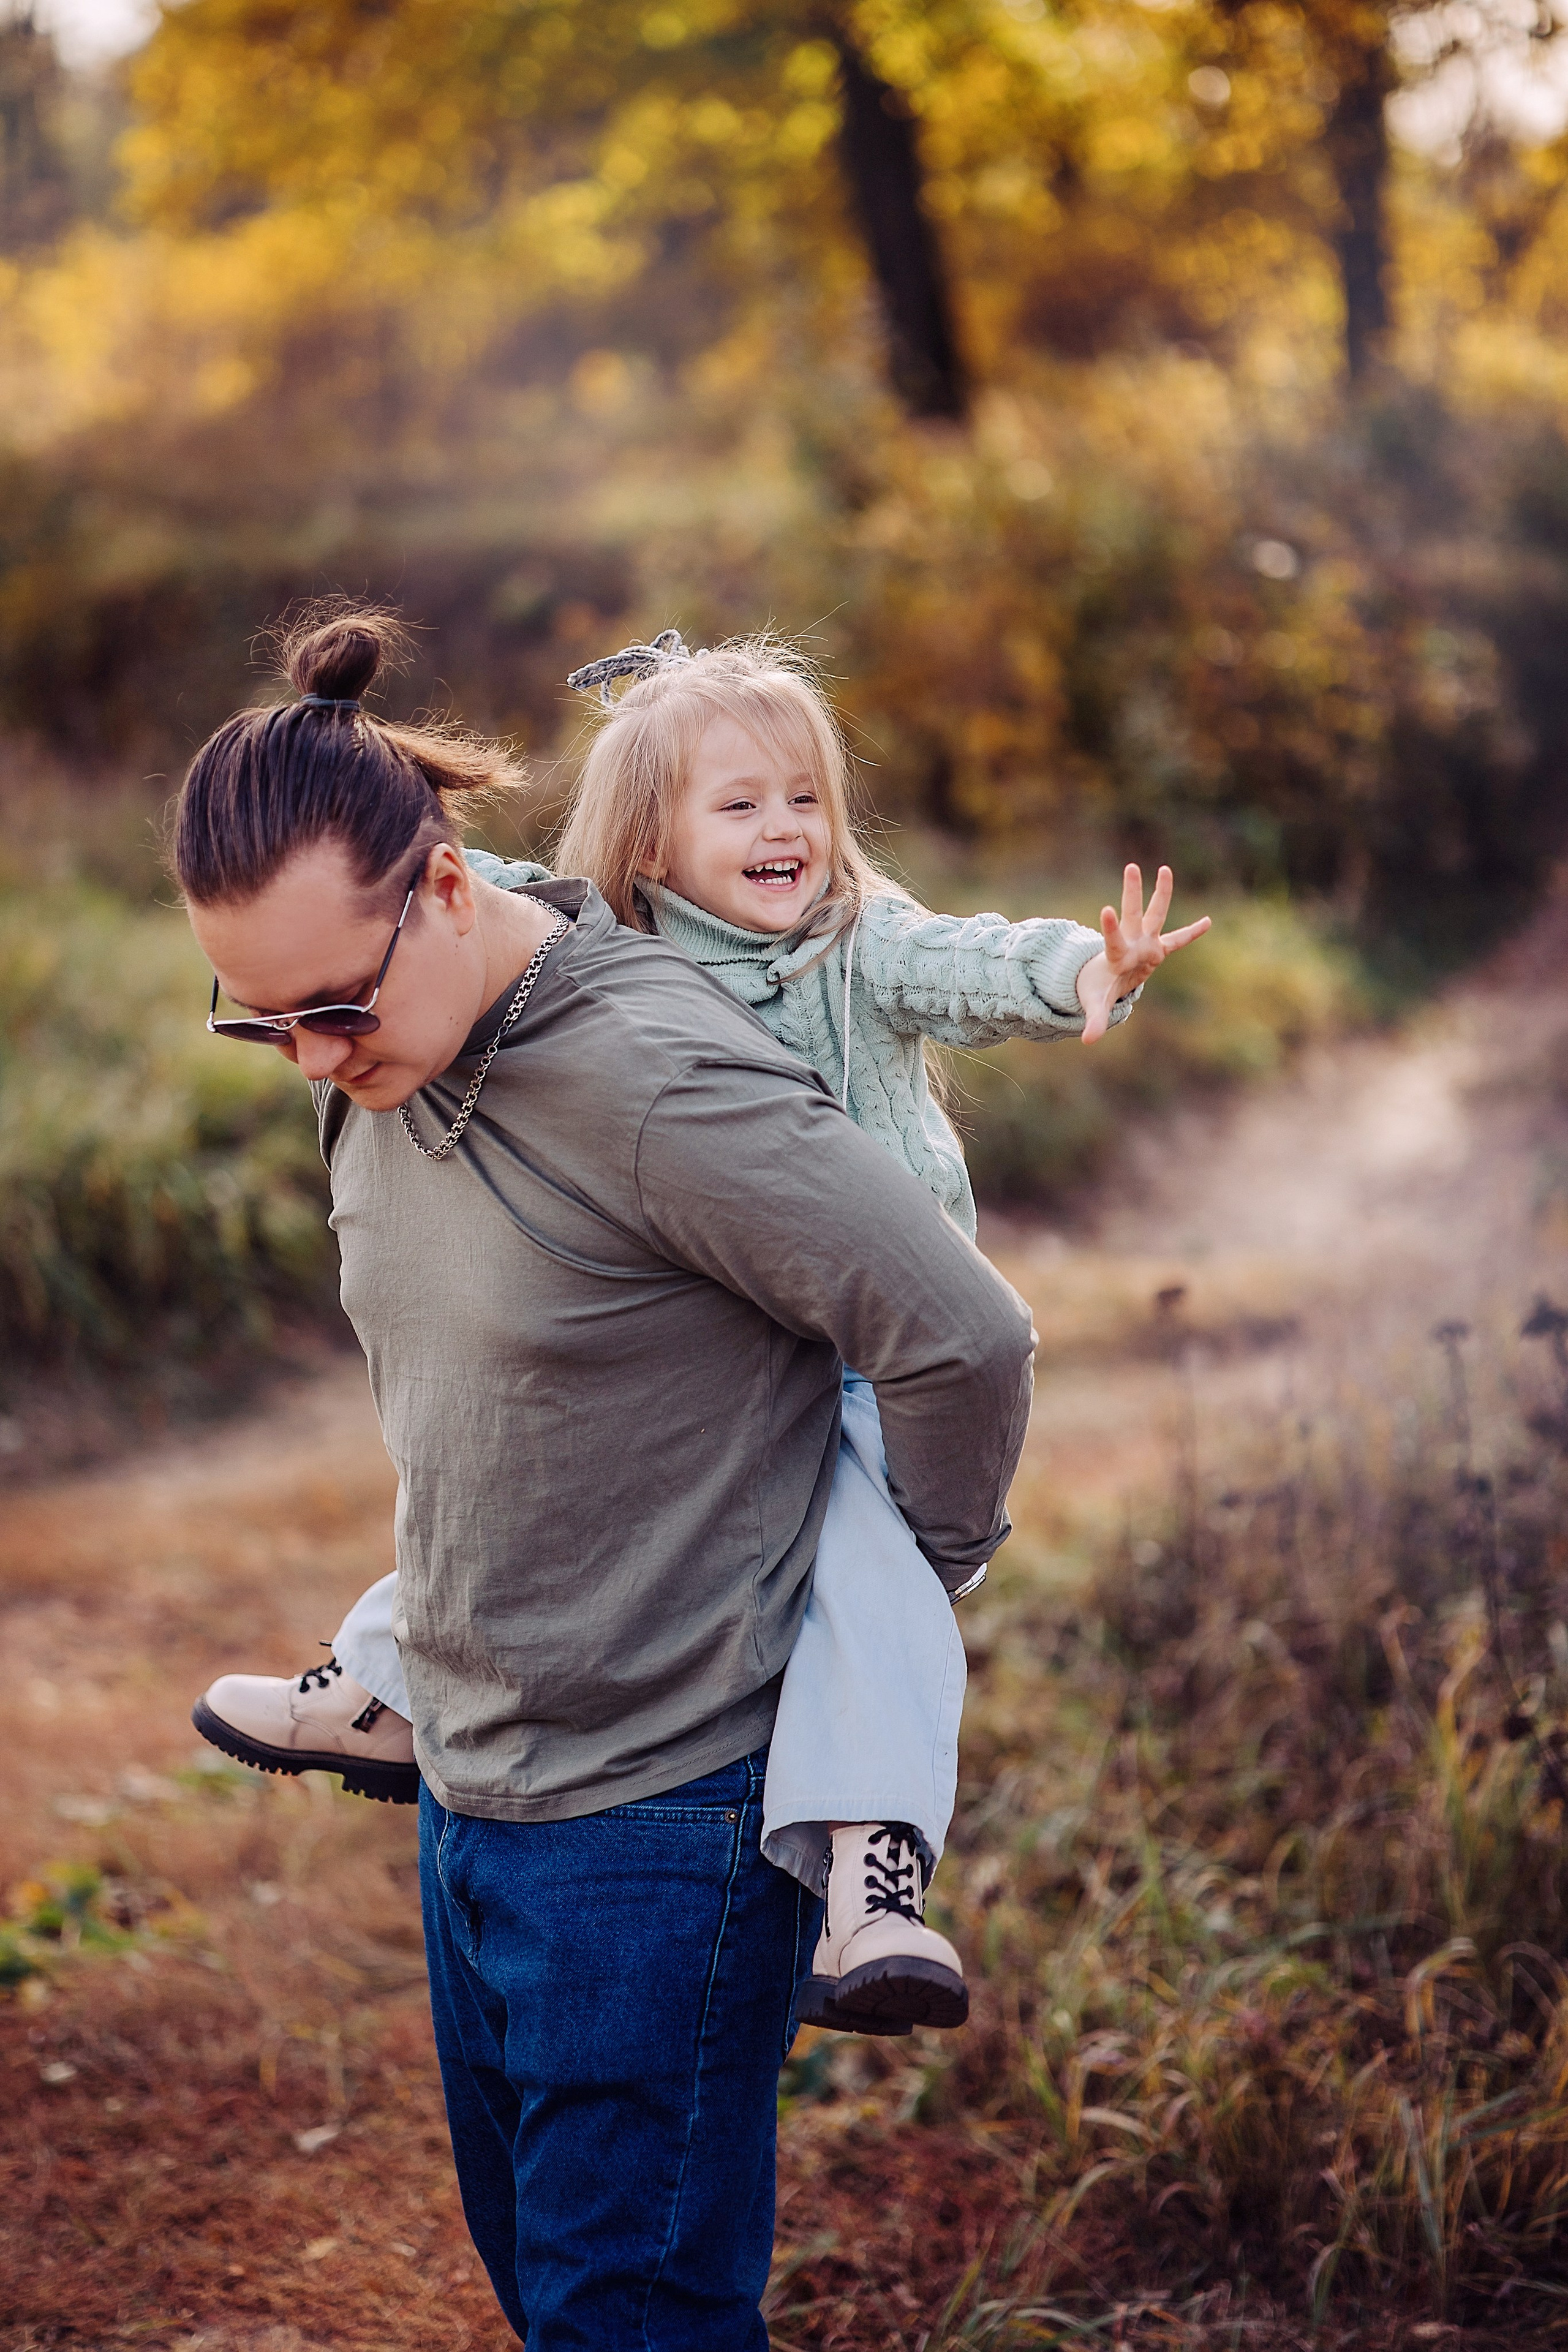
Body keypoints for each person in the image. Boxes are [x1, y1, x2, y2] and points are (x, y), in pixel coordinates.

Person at [193, 624, 1210, 2052]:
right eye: (739, 805)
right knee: (534, 1467)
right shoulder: (609, 945)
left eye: (803, 798)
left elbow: (965, 966)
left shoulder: (858, 941)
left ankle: (870, 1873)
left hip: (854, 1337)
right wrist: (349, 776)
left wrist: (1079, 974)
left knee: (870, 1578)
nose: (784, 828)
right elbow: (443, 884)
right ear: (653, 847)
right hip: (716, 1317)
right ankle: (382, 1681)